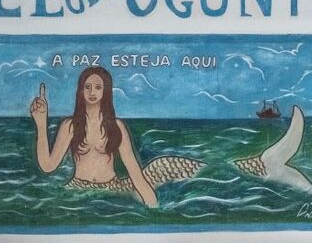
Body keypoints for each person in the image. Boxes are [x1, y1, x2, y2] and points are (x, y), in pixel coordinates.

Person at [30, 67, 203, 208]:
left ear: (106, 91)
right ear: (80, 91)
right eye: (87, 86)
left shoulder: (116, 127)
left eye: (98, 87)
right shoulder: (70, 125)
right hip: (79, 188)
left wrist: (154, 208)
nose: (92, 91)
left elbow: (135, 174)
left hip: (111, 189)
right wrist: (41, 122)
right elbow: (47, 166)